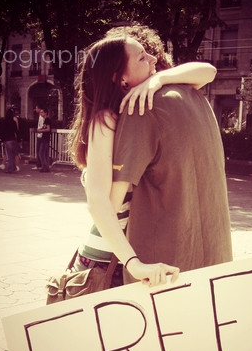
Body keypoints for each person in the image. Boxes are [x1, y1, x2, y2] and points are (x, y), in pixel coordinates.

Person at [69, 32, 232, 288]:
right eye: (142, 58)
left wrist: (159, 78)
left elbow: (208, 71)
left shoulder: (137, 108)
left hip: (122, 252)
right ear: (119, 78)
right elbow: (99, 203)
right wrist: (134, 263)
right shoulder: (106, 119)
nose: (153, 59)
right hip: (109, 257)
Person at [1, 108, 19, 173]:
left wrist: (2, 141)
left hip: (7, 140)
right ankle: (14, 167)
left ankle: (9, 169)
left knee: (9, 155)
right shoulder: (13, 122)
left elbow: (3, 132)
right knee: (13, 155)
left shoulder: (4, 122)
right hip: (13, 139)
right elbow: (16, 131)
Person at [37, 108, 51, 172]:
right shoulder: (45, 120)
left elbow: (48, 129)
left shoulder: (47, 119)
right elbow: (45, 127)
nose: (41, 113)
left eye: (42, 112)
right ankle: (46, 167)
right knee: (44, 153)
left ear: (45, 113)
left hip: (45, 138)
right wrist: (40, 129)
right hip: (44, 138)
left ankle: (45, 167)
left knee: (41, 153)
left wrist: (40, 130)